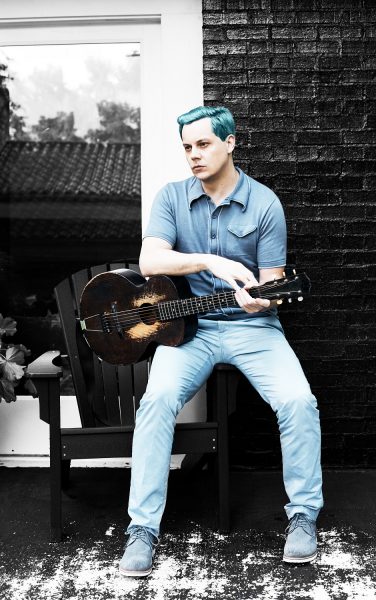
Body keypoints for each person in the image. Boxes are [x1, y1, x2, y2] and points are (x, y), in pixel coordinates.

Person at [119, 105, 323, 577]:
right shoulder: (171, 197)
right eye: (187, 147)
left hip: (254, 328)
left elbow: (272, 284)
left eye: (204, 144)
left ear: (230, 143)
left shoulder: (265, 204)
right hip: (190, 330)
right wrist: (209, 261)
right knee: (157, 400)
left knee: (298, 401)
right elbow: (150, 262)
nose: (194, 154)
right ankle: (142, 528)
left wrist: (260, 302)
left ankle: (303, 516)